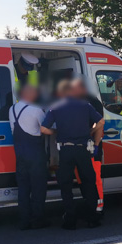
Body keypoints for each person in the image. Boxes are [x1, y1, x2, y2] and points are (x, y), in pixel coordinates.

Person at [41, 80, 104, 229]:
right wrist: (91, 131)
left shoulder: (55, 107)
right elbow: (101, 122)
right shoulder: (85, 105)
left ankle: (70, 220)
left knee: (66, 185)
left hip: (66, 151)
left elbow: (43, 129)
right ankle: (92, 218)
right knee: (89, 183)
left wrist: (56, 132)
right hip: (83, 150)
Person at [9, 84, 49, 230]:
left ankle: (24, 221)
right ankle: (38, 219)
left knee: (23, 188)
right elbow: (46, 128)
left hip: (20, 154)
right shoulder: (35, 109)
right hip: (35, 154)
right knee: (38, 188)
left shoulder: (12, 109)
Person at [71, 77, 105, 216]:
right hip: (81, 147)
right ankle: (89, 204)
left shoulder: (93, 102)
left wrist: (95, 143)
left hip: (92, 146)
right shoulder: (77, 102)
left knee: (95, 179)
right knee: (81, 178)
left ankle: (99, 207)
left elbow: (99, 125)